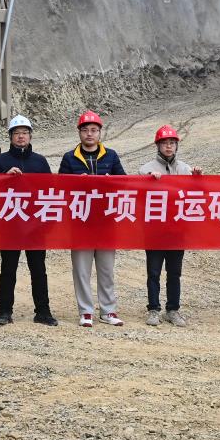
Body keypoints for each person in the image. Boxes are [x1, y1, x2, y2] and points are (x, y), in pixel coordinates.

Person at [59, 111, 127, 327]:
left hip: (106, 221)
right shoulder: (69, 158)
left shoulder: (111, 156)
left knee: (106, 269)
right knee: (81, 270)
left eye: (94, 130)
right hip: (81, 222)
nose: (90, 134)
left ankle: (108, 311)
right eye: (85, 130)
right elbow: (59, 187)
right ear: (79, 133)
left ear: (100, 133)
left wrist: (111, 182)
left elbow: (125, 183)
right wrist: (75, 184)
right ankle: (86, 311)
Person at [0, 115, 58, 327]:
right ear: (10, 137)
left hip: (35, 225)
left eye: (25, 133)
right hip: (10, 224)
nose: (21, 137)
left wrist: (47, 223)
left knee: (38, 269)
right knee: (8, 269)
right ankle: (4, 311)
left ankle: (43, 311)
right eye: (17, 133)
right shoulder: (0, 161)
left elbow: (50, 192)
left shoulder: (39, 161)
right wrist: (4, 176)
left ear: (30, 136)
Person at [138, 125, 202, 327]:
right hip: (155, 231)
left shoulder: (185, 169)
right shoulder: (145, 169)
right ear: (157, 145)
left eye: (172, 143)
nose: (168, 146)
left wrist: (198, 179)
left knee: (174, 272)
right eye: (165, 143)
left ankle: (172, 310)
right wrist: (149, 180)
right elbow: (139, 197)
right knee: (154, 272)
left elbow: (197, 196)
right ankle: (154, 309)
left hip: (177, 230)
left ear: (176, 146)